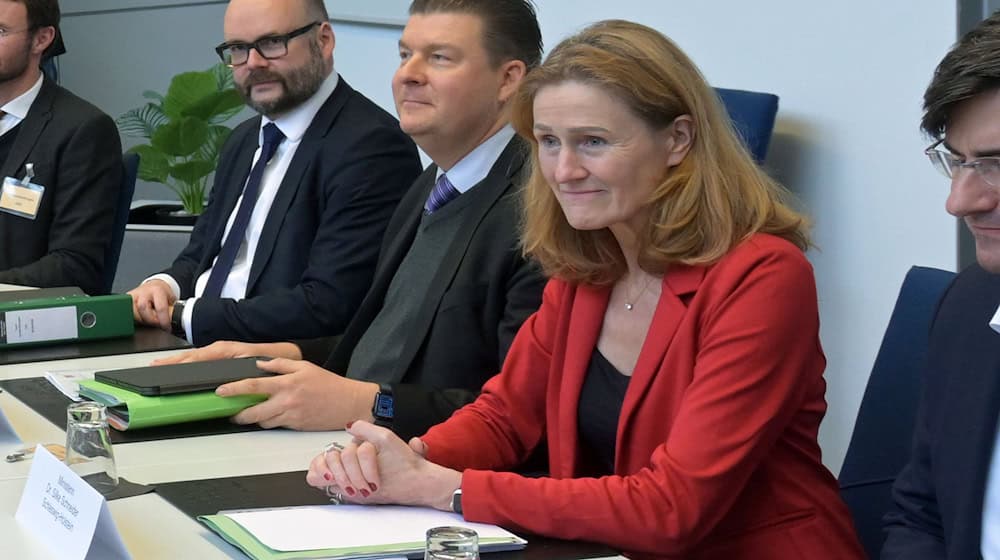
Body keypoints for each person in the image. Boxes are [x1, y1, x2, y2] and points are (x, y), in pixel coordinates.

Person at [306, 19, 866, 559]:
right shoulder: (589, 266)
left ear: (678, 139)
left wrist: (445, 487)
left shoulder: (763, 276)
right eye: (549, 142)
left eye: (593, 141)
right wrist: (403, 457)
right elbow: (504, 417)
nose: (563, 170)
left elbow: (673, 508)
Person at [154, 0, 546, 440]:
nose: (407, 74)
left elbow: (521, 415)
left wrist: (368, 402)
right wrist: (287, 354)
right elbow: (386, 342)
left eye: (439, 57)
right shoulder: (433, 185)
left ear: (508, 79)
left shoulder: (539, 214)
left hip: (422, 457)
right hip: (356, 440)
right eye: (405, 54)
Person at [127, 0, 421, 345]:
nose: (254, 62)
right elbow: (202, 253)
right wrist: (164, 286)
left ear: (324, 40)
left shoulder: (371, 146)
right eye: (239, 48)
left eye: (271, 43)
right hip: (188, 339)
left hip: (265, 358)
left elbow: (329, 304)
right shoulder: (243, 140)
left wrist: (183, 316)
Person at [883, 11, 1000, 559]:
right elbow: (921, 515)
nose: (959, 202)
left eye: (996, 164)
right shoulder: (968, 307)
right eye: (957, 161)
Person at [0, 0, 122, 295]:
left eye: (0, 31)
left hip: (24, 312)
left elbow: (75, 265)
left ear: (41, 39)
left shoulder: (82, 130)